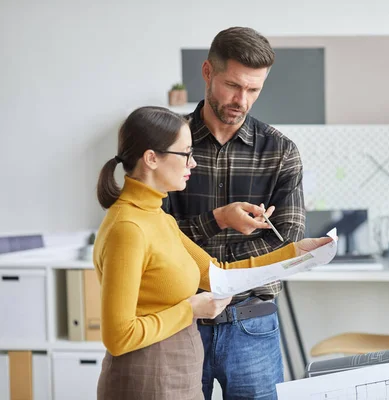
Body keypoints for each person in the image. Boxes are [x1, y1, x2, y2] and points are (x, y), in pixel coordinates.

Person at [93, 106, 328, 400]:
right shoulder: (128, 227)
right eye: (185, 154)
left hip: (177, 374)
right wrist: (191, 310)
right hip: (148, 379)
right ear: (152, 158)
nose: (192, 163)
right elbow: (118, 336)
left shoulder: (157, 218)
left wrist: (294, 253)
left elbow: (216, 273)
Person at [163, 26, 306, 399]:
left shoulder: (280, 152)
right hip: (180, 322)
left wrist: (216, 272)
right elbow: (154, 236)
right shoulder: (167, 145)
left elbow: (287, 244)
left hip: (252, 326)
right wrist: (219, 219)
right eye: (233, 85)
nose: (242, 100)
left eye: (254, 90)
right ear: (208, 72)